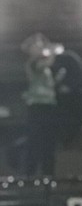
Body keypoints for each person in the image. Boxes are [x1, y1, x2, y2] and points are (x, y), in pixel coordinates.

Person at [18, 32, 59, 176]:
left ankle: (48, 173)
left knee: (48, 142)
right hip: (37, 107)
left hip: (48, 106)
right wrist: (52, 52)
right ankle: (30, 173)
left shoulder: (44, 67)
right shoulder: (33, 63)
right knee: (35, 141)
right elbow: (48, 62)